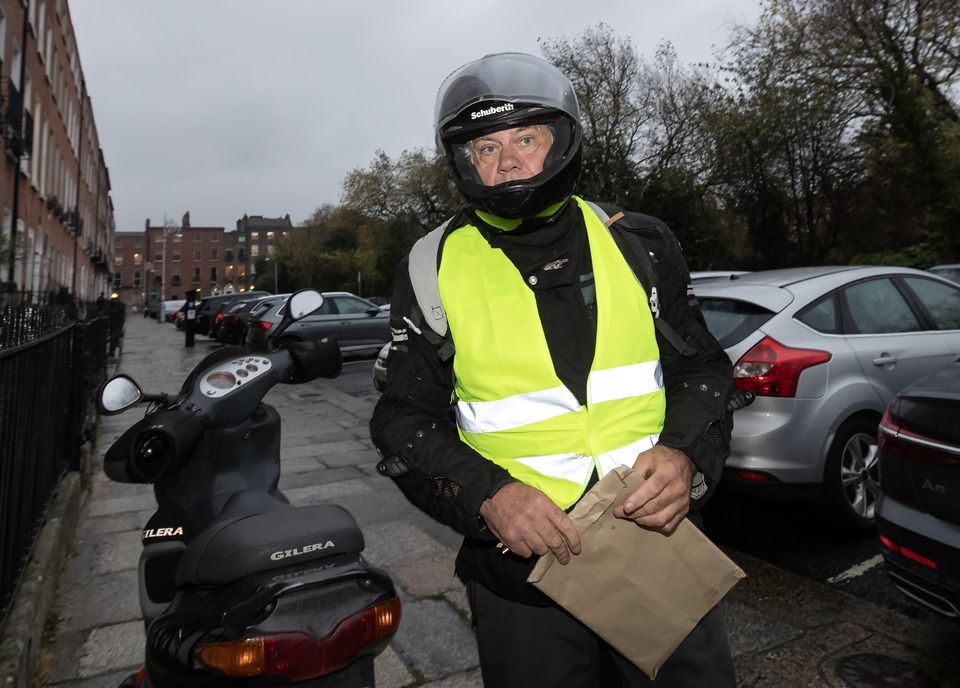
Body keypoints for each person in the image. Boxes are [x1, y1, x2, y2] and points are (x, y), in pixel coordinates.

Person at [370, 52, 736, 687]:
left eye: (527, 138)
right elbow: (402, 420)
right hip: (523, 577)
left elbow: (703, 369)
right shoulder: (430, 265)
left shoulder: (639, 240)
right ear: (464, 161)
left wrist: (685, 457)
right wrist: (489, 497)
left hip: (657, 548)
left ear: (561, 141)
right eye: (486, 146)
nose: (508, 161)